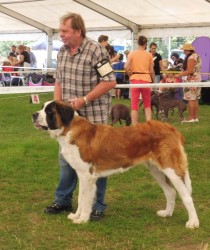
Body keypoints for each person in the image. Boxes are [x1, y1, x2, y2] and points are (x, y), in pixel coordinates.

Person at [44, 13, 116, 220]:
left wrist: (84, 99)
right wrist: (56, 106)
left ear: (78, 31)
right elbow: (58, 81)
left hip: (94, 117)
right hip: (67, 119)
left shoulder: (96, 50)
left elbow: (110, 81)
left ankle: (96, 205)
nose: (61, 35)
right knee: (66, 159)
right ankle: (63, 200)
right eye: (60, 31)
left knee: (96, 162)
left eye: (65, 31)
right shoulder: (61, 52)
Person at [124, 35, 154, 125]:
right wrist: (153, 80)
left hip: (135, 80)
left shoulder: (132, 54)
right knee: (147, 104)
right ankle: (149, 124)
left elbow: (125, 66)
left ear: (138, 43)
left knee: (134, 105)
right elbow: (151, 71)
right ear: (145, 44)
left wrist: (129, 74)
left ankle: (134, 125)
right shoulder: (149, 55)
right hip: (146, 80)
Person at [177, 43, 201, 123]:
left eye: (184, 50)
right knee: (195, 99)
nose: (183, 51)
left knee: (191, 99)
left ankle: (191, 118)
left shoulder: (191, 57)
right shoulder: (197, 56)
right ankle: (195, 117)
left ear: (187, 50)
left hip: (191, 79)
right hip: (197, 78)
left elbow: (190, 71)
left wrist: (179, 74)